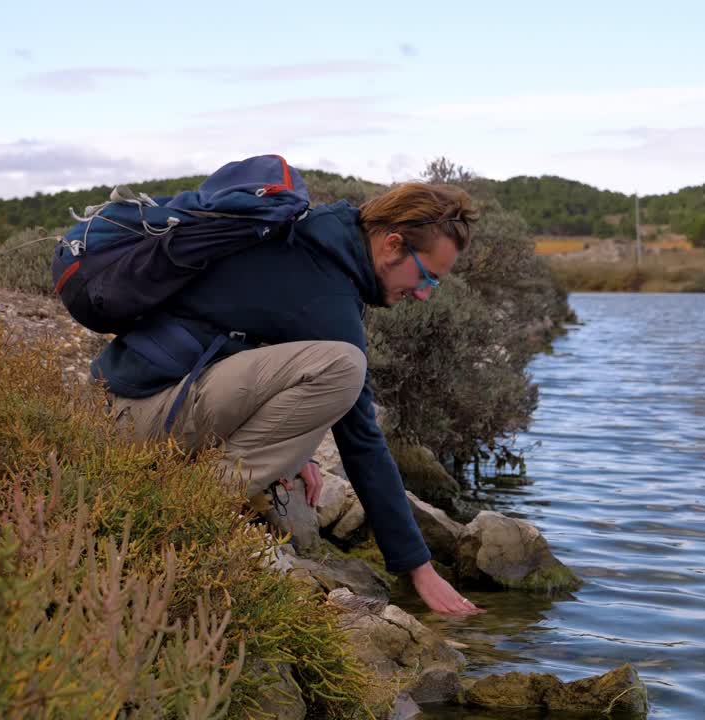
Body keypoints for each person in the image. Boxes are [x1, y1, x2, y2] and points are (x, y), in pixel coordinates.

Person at [92, 181, 484, 617]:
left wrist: (297, 451)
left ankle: (193, 495)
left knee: (331, 379)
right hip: (135, 412)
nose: (426, 292)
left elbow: (253, 337)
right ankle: (186, 514)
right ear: (393, 243)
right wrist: (418, 567)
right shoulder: (327, 287)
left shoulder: (318, 240)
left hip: (129, 396)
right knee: (343, 367)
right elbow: (361, 441)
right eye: (427, 275)